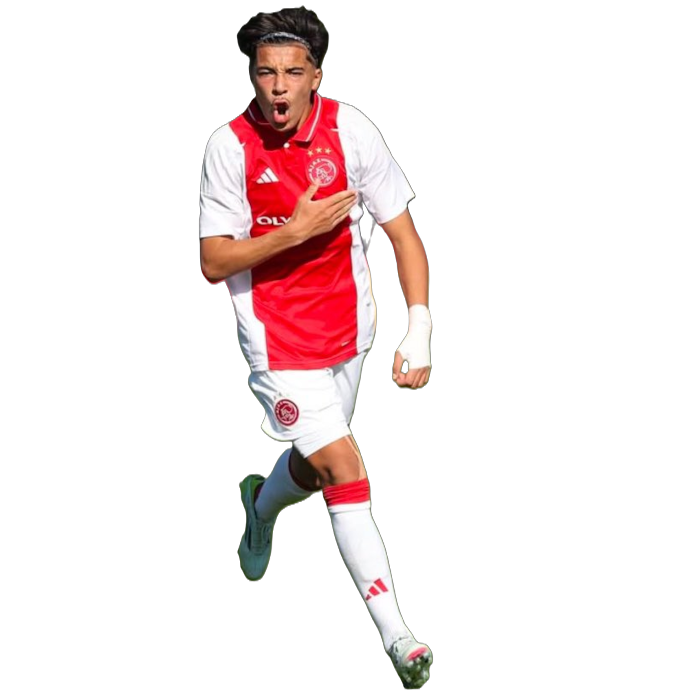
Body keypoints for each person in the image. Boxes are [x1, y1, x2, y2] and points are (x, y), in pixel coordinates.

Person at [198, 7, 433, 690]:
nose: (278, 87)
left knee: (313, 466)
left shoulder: (351, 130)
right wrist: (293, 232)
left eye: (293, 73)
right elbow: (213, 262)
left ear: (316, 77)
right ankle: (399, 637)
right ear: (251, 75)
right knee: (344, 467)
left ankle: (259, 506)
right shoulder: (228, 147)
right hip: (277, 343)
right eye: (265, 72)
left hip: (349, 333)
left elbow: (403, 235)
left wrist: (418, 327)